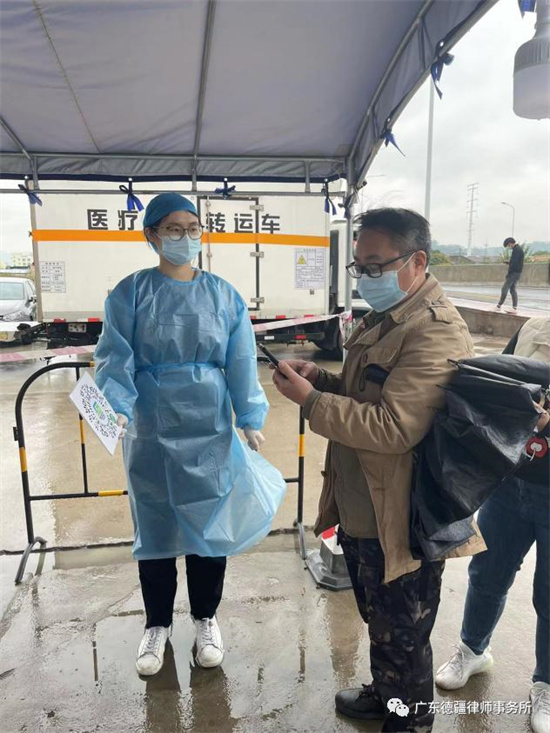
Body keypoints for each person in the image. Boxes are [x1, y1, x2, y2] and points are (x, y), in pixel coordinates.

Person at [272, 208, 486, 733]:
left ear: (417, 261)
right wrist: (320, 380)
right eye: (359, 267)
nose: (366, 277)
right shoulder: (384, 318)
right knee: (381, 622)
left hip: (400, 518)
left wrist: (312, 402)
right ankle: (386, 693)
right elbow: (364, 393)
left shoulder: (434, 332)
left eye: (375, 265)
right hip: (363, 505)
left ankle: (408, 721)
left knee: (404, 635)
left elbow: (395, 427)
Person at [94, 193, 279, 677]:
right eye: (174, 229)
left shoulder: (223, 294)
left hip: (208, 423)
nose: (185, 237)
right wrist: (115, 410)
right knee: (154, 526)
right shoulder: (130, 293)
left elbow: (241, 358)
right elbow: (114, 357)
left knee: (208, 524)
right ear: (152, 235)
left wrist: (249, 415)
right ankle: (156, 624)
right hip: (149, 424)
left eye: (193, 228)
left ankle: (205, 619)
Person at [436, 316, 550, 733]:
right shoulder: (535, 328)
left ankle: (546, 683)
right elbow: (496, 382)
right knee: (487, 573)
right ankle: (473, 650)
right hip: (511, 481)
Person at [496, 236, 524, 314]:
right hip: (517, 272)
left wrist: (509, 274)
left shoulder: (516, 250)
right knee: (512, 289)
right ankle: (514, 308)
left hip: (514, 273)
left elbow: (514, 264)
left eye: (508, 245)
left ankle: (498, 306)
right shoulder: (518, 249)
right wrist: (509, 262)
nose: (509, 247)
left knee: (504, 288)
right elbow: (515, 262)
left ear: (510, 243)